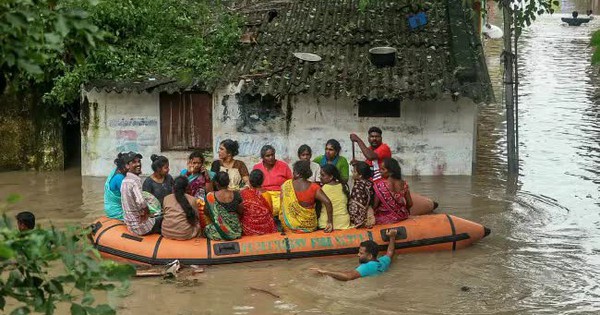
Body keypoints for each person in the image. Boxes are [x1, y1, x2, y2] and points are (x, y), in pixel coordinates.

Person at [310, 229, 398, 281]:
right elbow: (390, 252)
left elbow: (348, 277)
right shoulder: (383, 262)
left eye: (361, 253)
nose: (358, 255)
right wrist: (392, 237)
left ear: (370, 256)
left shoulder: (367, 267)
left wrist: (324, 271)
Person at [280, 161, 333, 233]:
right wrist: (330, 222)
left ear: (297, 173)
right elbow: (327, 202)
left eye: (294, 171)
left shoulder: (286, 185)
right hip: (309, 226)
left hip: (291, 225)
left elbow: (283, 204)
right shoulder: (314, 187)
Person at [120, 152, 162, 236]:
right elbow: (141, 202)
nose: (138, 164)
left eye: (139, 161)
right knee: (164, 218)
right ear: (127, 166)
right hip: (140, 227)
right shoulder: (135, 181)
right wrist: (147, 213)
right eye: (134, 162)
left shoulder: (124, 181)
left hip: (130, 224)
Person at [252, 145, 292, 216]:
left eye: (272, 155)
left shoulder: (283, 166)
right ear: (262, 157)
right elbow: (253, 184)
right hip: (263, 194)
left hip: (281, 195)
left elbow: (291, 182)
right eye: (268, 156)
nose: (271, 157)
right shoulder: (257, 167)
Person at [204, 172, 243, 240]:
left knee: (206, 229)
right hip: (235, 229)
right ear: (228, 182)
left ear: (216, 183)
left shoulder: (210, 196)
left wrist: (218, 219)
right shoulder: (236, 194)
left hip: (219, 230)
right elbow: (241, 211)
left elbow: (206, 212)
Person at [373, 158, 413, 225]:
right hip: (402, 216)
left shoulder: (380, 185)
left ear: (391, 172)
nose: (380, 171)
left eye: (383, 169)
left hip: (385, 218)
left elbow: (375, 206)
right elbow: (410, 203)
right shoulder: (404, 184)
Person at [240, 170, 277, 236]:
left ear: (250, 181)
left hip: (249, 228)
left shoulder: (243, 194)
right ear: (262, 180)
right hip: (266, 227)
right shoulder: (267, 194)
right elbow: (270, 211)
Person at [318, 164, 352, 230]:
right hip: (343, 223)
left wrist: (330, 222)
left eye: (323, 175)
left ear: (331, 177)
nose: (320, 177)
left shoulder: (324, 188)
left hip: (326, 224)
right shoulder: (343, 186)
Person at [348, 161, 375, 228]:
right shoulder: (370, 183)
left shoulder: (358, 186)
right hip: (369, 212)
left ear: (360, 175)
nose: (352, 173)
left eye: (354, 172)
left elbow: (356, 205)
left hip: (360, 218)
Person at [104, 153, 127, 219]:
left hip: (110, 208)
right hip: (116, 211)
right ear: (124, 166)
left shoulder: (115, 171)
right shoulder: (119, 178)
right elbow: (128, 197)